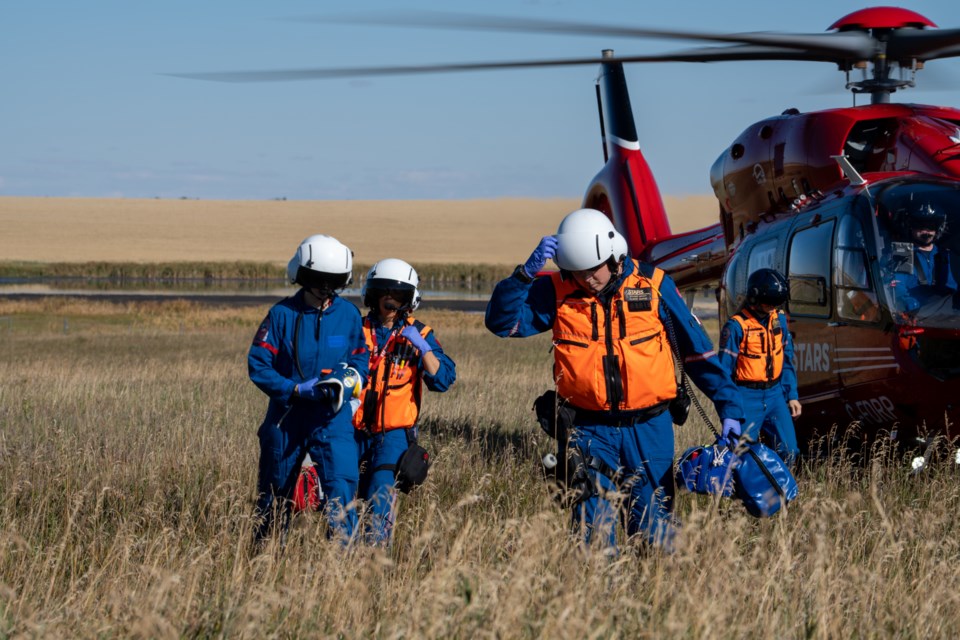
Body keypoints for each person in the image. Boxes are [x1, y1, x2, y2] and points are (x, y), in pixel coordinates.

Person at [484, 208, 744, 550]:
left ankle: (657, 595)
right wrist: (522, 277)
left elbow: (697, 354)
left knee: (654, 531)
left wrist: (729, 408)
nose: (586, 278)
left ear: (614, 255)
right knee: (591, 535)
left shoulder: (653, 286)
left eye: (593, 269)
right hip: (588, 430)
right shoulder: (557, 290)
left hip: (650, 428)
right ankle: (598, 599)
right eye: (576, 271)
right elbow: (502, 324)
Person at [248, 234, 369, 547]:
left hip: (333, 417)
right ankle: (265, 561)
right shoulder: (281, 315)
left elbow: (360, 360)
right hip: (287, 416)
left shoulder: (349, 315)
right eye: (320, 282)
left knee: (341, 491)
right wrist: (295, 389)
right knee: (274, 496)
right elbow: (258, 365)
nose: (326, 290)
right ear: (304, 277)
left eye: (333, 283)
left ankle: (342, 571)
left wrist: (350, 380)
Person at [352, 258, 456, 546]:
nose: (390, 303)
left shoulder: (420, 334)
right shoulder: (355, 330)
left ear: (409, 301)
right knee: (341, 489)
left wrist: (423, 350)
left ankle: (375, 555)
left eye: (398, 297)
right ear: (372, 297)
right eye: (385, 296)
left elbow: (443, 379)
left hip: (394, 433)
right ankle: (341, 550)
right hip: (353, 429)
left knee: (381, 490)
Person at [718, 268, 801, 466]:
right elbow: (723, 373)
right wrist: (729, 411)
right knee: (740, 454)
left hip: (775, 395)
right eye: (769, 303)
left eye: (776, 303)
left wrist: (792, 395)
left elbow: (786, 360)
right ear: (755, 298)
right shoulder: (736, 327)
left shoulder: (779, 320)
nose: (772, 307)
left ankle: (778, 491)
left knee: (790, 451)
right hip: (746, 396)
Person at [888, 199, 956, 315]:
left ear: (938, 228)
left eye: (931, 226)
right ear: (910, 226)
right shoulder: (903, 253)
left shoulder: (946, 255)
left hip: (945, 313)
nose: (926, 231)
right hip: (917, 314)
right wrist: (910, 305)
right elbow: (897, 287)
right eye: (919, 225)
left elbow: (953, 288)